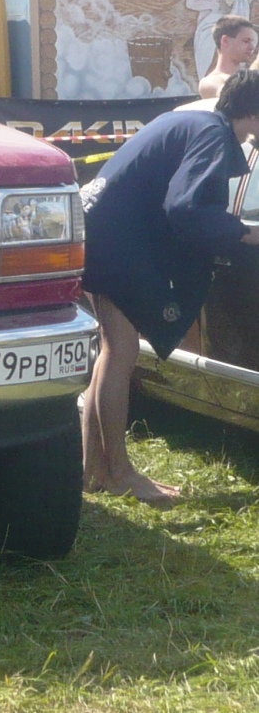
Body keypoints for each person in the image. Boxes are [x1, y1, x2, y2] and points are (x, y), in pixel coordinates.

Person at [80, 68, 259, 507]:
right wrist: (244, 234)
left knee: (113, 350)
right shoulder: (214, 135)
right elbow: (186, 207)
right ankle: (120, 473)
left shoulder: (192, 120)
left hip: (98, 229)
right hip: (114, 239)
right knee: (120, 352)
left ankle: (94, 471)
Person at [199, 15, 258, 97]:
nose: (252, 47)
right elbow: (232, 98)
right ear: (225, 41)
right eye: (246, 41)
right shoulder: (210, 81)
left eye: (252, 42)